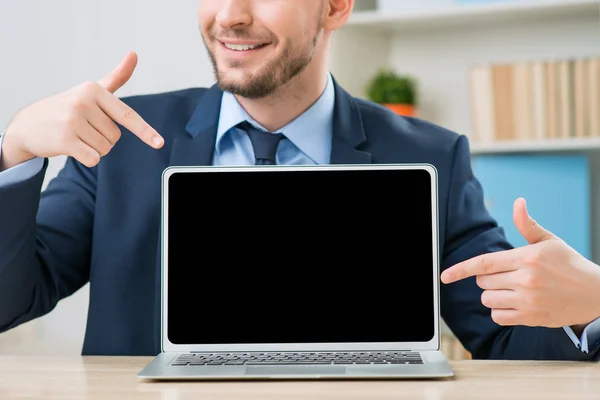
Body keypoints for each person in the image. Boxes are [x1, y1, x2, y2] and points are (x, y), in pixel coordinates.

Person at [0, 0, 598, 359]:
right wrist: (15, 150)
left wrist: (588, 306)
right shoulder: (119, 140)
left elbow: (505, 340)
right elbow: (11, 300)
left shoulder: (434, 157)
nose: (229, 15)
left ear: (336, 5)